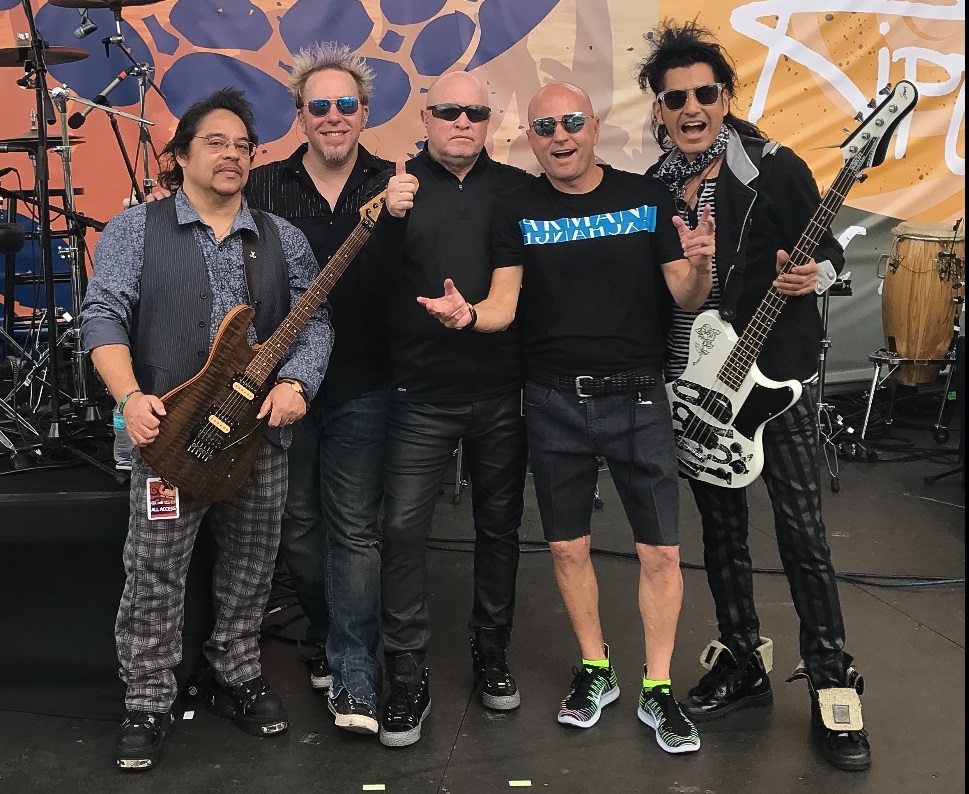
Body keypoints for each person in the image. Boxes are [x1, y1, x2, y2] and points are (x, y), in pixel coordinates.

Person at [419, 81, 715, 755]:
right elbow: (502, 304)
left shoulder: (644, 197)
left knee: (660, 552)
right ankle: (596, 669)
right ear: (530, 136)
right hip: (551, 398)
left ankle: (658, 687)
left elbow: (685, 295)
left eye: (571, 122)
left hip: (638, 395)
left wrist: (699, 265)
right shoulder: (516, 209)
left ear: (593, 127)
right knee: (565, 547)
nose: (559, 135)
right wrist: (468, 317)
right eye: (544, 125)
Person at [148, 44, 413, 736]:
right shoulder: (261, 188)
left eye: (345, 105)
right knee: (294, 532)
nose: (332, 117)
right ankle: (326, 637)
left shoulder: (396, 186)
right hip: (267, 395)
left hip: (363, 383)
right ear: (299, 115)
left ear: (365, 113)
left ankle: (354, 669)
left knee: (353, 531)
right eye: (317, 106)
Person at [636, 20, 871, 771]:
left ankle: (832, 681)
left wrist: (815, 275)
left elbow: (827, 250)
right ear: (659, 108)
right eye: (675, 99)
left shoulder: (774, 167)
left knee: (801, 533)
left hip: (775, 385)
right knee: (721, 532)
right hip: (695, 389)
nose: (691, 108)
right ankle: (742, 659)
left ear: (725, 96)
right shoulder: (654, 187)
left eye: (704, 93)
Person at [80, 88, 333, 770]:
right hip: (164, 435)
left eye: (243, 146)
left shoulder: (284, 239)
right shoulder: (137, 229)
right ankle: (148, 698)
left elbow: (313, 325)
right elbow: (101, 315)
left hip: (257, 437)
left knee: (252, 566)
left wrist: (296, 385)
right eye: (216, 142)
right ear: (181, 154)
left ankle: (238, 674)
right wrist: (129, 397)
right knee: (156, 571)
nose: (232, 155)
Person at [377, 70, 530, 748]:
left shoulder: (515, 191)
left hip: (501, 392)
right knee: (403, 532)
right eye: (448, 111)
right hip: (418, 395)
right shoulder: (393, 191)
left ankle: (490, 655)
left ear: (489, 119)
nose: (461, 121)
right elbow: (365, 283)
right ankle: (405, 676)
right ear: (425, 115)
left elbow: (523, 288)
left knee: (499, 530)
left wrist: (470, 316)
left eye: (473, 111)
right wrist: (384, 216)